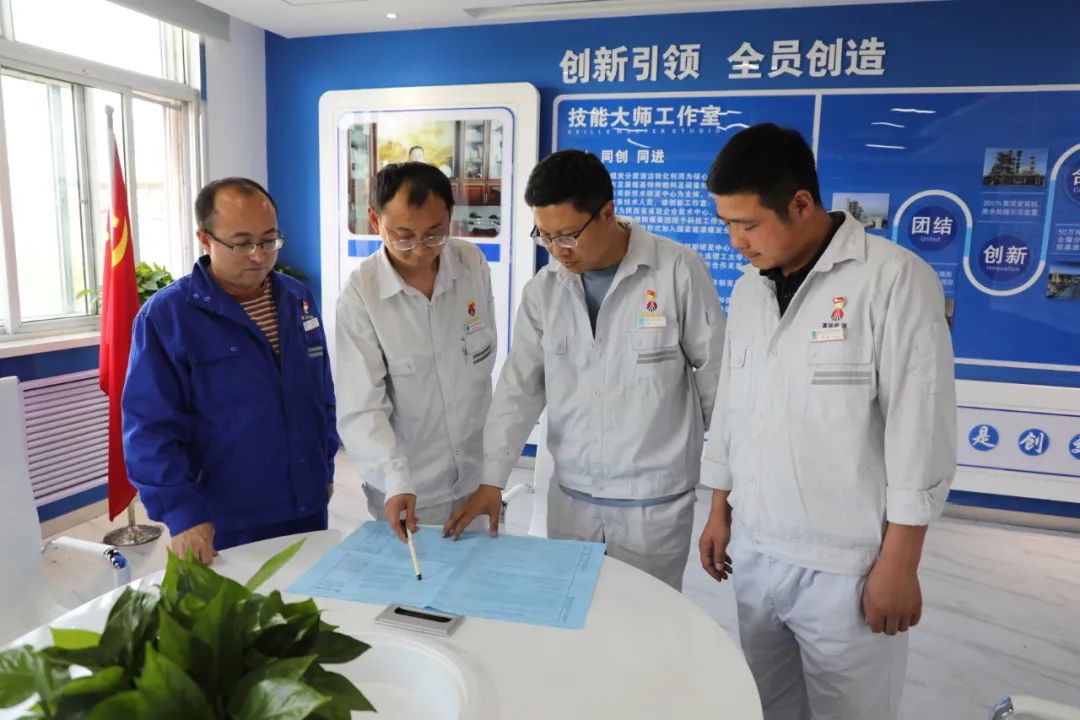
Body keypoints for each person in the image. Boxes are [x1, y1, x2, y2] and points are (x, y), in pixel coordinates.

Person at [697, 123, 956, 719]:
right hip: (756, 550)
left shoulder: (892, 279)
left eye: (748, 224)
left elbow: (920, 426)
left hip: (847, 567)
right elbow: (735, 402)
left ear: (801, 204)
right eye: (726, 224)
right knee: (768, 705)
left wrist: (901, 563)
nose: (736, 241)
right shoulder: (751, 290)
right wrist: (718, 506)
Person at [444, 149, 725, 590]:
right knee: (571, 613)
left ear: (607, 213)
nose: (558, 251)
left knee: (646, 618)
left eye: (568, 236)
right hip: (572, 498)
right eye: (545, 236)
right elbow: (519, 389)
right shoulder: (544, 291)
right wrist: (492, 480)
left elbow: (717, 383)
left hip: (653, 503)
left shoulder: (676, 271)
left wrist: (723, 492)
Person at [122, 177, 337, 564]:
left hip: (306, 503)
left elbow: (321, 394)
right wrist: (183, 513)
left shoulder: (298, 299)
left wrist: (326, 466)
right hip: (226, 517)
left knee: (307, 597)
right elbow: (149, 429)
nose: (259, 255)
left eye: (269, 240)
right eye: (242, 243)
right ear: (205, 239)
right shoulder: (168, 317)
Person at [336, 161, 496, 541]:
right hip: (408, 490)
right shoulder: (362, 295)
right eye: (404, 236)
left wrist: (494, 473)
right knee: (414, 578)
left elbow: (481, 373)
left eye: (434, 234)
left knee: (479, 573)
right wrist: (395, 480)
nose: (421, 249)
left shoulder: (471, 264)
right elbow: (362, 407)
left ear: (450, 216)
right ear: (375, 220)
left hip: (475, 480)